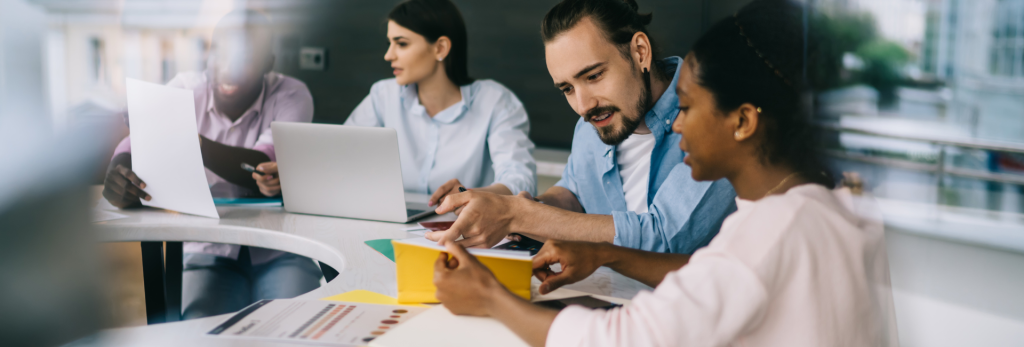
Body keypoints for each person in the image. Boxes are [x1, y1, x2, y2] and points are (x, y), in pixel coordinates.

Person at [431, 0, 898, 346]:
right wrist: (606, 255)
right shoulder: (824, 207)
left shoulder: (771, 229)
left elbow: (624, 338)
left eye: (689, 107)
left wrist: (490, 296)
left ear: (742, 121)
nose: (674, 122)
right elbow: (709, 270)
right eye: (566, 88)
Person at [427, 0, 736, 254]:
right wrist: (508, 207)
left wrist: (521, 215)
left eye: (593, 76)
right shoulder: (590, 125)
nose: (583, 106)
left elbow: (665, 239)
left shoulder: (716, 114)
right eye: (567, 89)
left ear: (639, 52)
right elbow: (574, 194)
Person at [100, 10, 322, 319]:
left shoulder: (291, 94)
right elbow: (134, 145)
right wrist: (119, 172)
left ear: (269, 63)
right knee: (199, 330)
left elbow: (261, 163)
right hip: (207, 250)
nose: (229, 67)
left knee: (298, 324)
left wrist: (192, 142)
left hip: (282, 251)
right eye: (220, 52)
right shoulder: (185, 89)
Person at [344, 0, 536, 198]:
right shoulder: (382, 96)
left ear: (440, 48)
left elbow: (521, 181)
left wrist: (468, 196)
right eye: (389, 43)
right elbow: (340, 154)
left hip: (464, 224)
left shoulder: (496, 101)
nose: (388, 55)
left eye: (401, 44)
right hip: (390, 220)